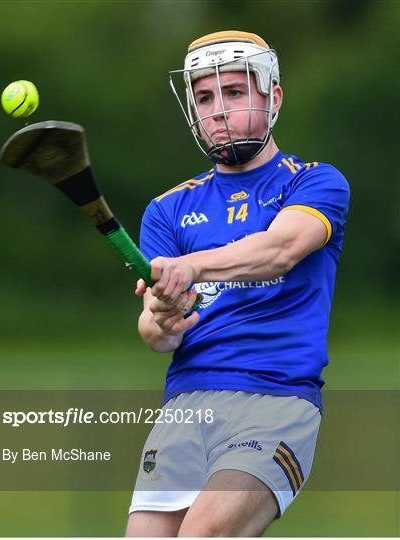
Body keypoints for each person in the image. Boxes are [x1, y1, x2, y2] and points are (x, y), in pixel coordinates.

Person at [126, 30, 350, 537]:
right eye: (205, 97)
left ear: (273, 97)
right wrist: (163, 316)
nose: (218, 110)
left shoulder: (314, 181)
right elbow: (157, 333)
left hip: (275, 399)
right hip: (184, 404)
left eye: (234, 91)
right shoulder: (166, 210)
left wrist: (193, 268)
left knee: (204, 533)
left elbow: (279, 251)